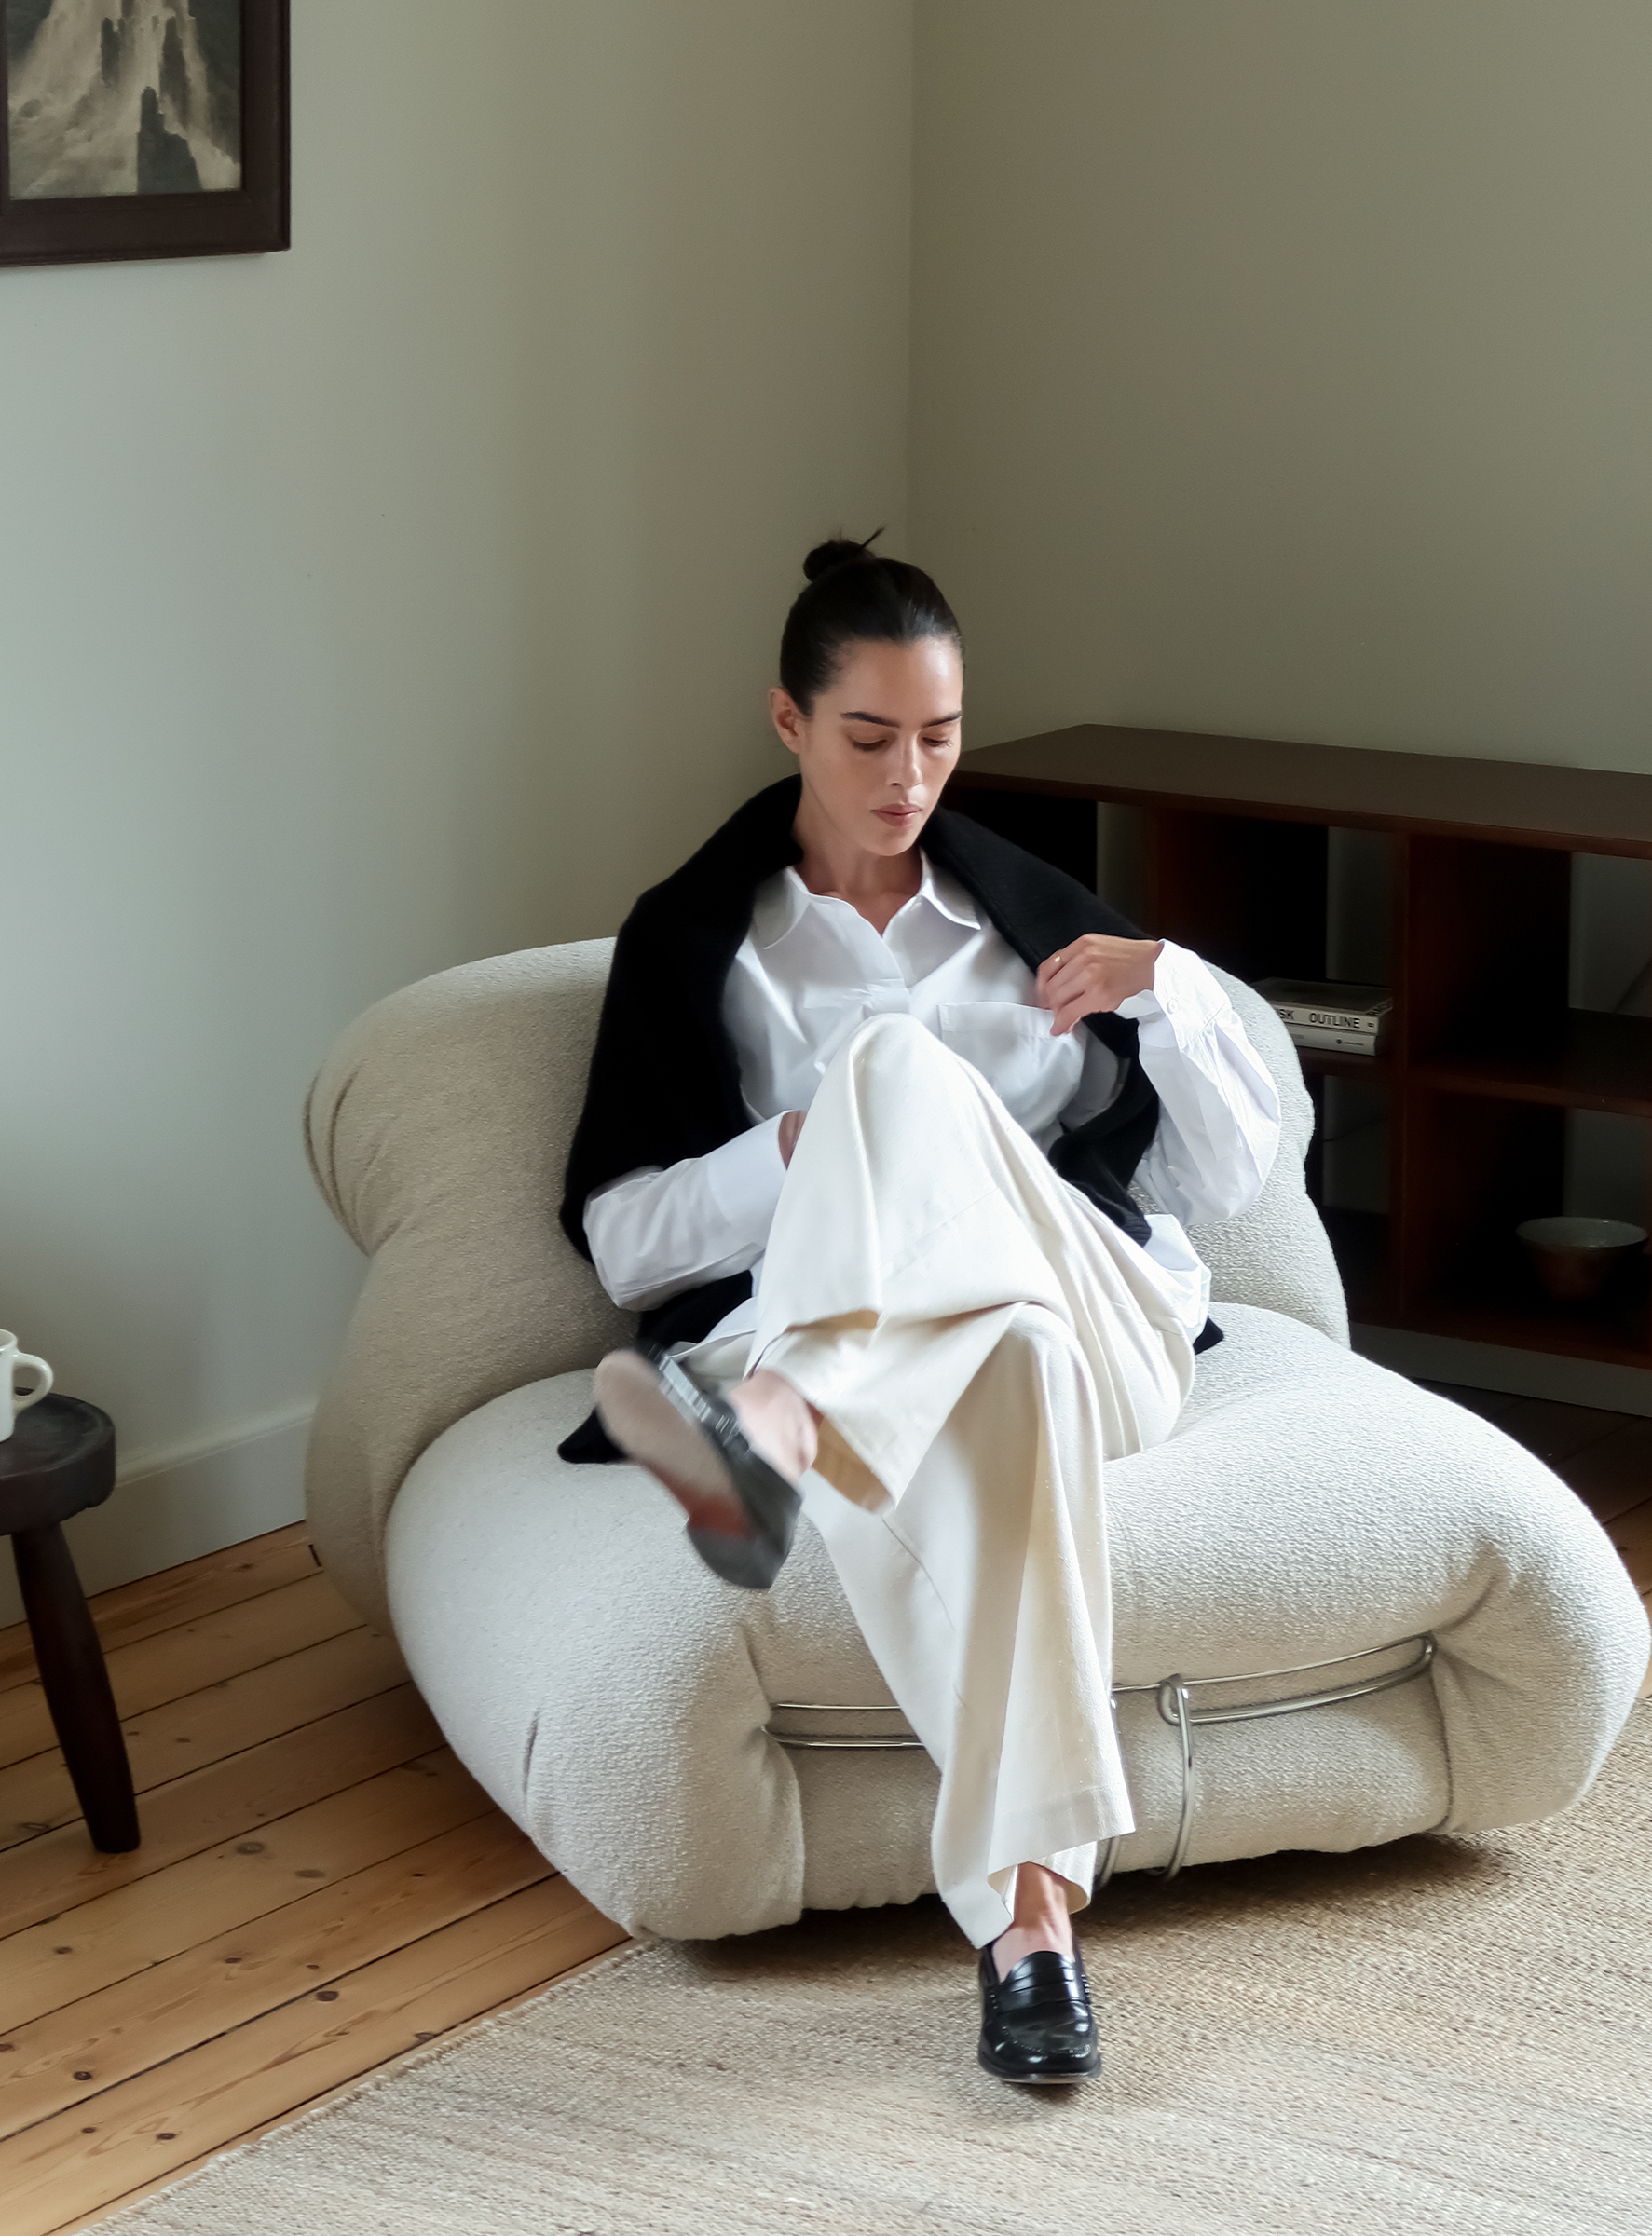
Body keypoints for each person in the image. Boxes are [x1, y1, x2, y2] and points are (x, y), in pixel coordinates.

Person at [559, 538, 1280, 2084]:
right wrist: (798, 1158)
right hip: (992, 1353)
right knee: (989, 1334)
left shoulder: (1043, 925)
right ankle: (1031, 1933)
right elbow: (624, 1243)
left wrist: (1174, 988)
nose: (909, 778)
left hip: (1111, 1329)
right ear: (787, 724)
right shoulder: (701, 944)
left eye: (940, 739)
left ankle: (790, 1421)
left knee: (903, 1070)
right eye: (869, 738)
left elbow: (1223, 1185)